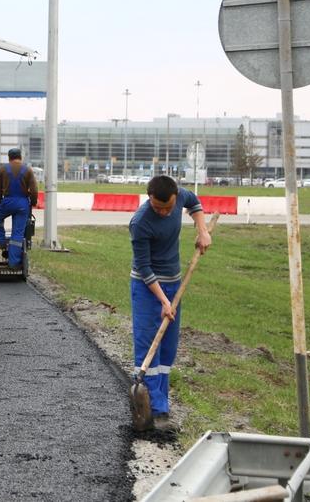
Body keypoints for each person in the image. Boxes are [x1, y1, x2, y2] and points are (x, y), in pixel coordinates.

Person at [129, 175, 212, 431]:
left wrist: (202, 230)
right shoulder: (140, 222)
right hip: (147, 288)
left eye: (168, 207)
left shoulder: (180, 196)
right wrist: (164, 301)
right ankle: (150, 410)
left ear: (175, 197)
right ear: (149, 198)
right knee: (148, 347)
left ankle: (162, 407)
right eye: (158, 208)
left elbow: (195, 204)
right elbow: (144, 267)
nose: (164, 212)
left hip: (174, 283)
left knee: (167, 350)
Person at [0, 148, 39, 270]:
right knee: (17, 234)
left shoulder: (3, 169)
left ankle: (0, 240)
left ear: (9, 157)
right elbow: (34, 190)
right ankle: (13, 263)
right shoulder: (28, 170)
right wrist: (32, 203)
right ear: (20, 157)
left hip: (8, 201)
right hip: (23, 203)